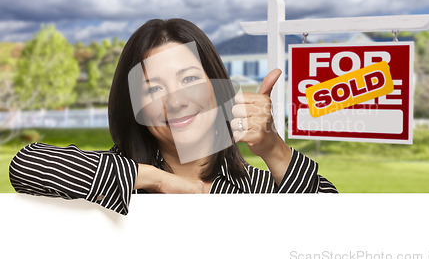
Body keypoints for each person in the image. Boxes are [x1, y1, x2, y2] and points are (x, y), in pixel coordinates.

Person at [9, 18, 337, 215]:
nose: (176, 101)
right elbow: (28, 165)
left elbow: (337, 224)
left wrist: (273, 148)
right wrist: (162, 181)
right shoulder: (119, 181)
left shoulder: (260, 188)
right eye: (153, 90)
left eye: (190, 79)